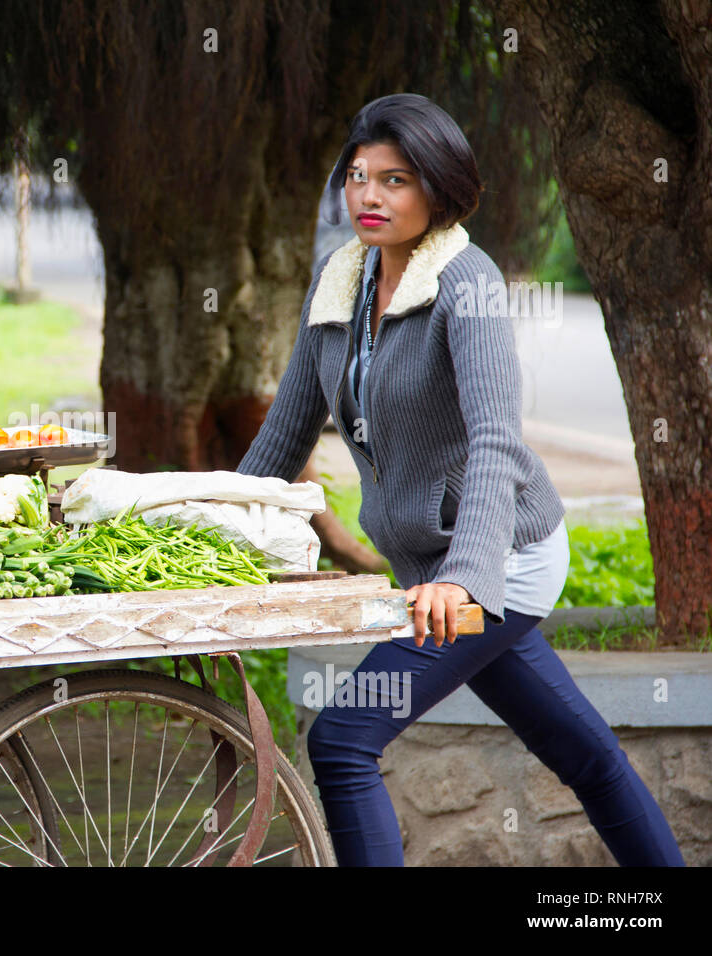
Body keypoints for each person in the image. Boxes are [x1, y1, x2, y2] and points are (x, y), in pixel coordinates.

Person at [236, 93, 684, 867]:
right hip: (432, 573)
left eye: (396, 179)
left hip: (499, 560)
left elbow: (495, 442)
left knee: (343, 738)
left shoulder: (466, 283)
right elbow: (284, 433)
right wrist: (205, 530)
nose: (369, 196)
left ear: (437, 188)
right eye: (358, 176)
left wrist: (469, 584)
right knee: (584, 755)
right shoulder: (340, 281)